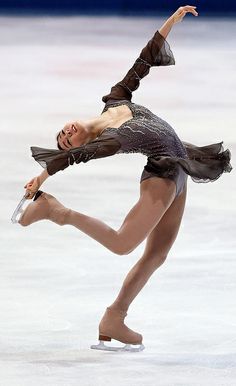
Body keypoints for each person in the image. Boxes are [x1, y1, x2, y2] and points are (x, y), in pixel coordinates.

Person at [18, 5, 232, 351]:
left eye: (63, 131)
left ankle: (115, 316)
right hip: (162, 176)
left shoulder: (115, 99)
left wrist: (171, 23)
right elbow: (78, 155)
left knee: (158, 253)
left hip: (180, 172)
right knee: (122, 244)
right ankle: (56, 212)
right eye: (67, 139)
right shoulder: (108, 141)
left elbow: (142, 63)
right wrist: (44, 175)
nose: (67, 133)